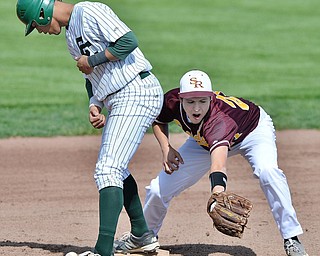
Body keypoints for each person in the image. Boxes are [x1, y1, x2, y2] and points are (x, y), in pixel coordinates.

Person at [16, 1, 163, 255]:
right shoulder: (71, 37)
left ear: (42, 12)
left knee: (108, 169)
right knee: (115, 168)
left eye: (36, 25)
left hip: (137, 92)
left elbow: (128, 41)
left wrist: (93, 60)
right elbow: (90, 78)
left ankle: (103, 251)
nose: (39, 31)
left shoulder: (90, 11)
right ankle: (141, 235)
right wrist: (94, 105)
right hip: (118, 98)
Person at [143, 70, 308, 256]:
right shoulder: (170, 101)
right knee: (158, 189)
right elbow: (158, 120)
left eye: (202, 101)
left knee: (268, 171)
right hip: (204, 141)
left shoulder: (219, 120)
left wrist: (217, 194)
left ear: (211, 98)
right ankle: (144, 238)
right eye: (190, 101)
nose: (196, 108)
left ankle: (291, 238)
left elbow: (218, 165)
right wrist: (166, 148)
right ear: (180, 99)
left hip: (252, 132)